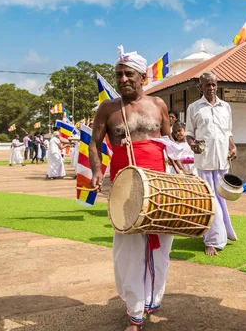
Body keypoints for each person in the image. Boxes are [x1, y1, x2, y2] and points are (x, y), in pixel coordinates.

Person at [90, 46, 175, 331]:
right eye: (119, 74)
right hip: (124, 184)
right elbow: (94, 142)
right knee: (127, 249)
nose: (123, 79)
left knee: (161, 246)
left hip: (159, 184)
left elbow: (169, 143)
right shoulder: (107, 109)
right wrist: (96, 170)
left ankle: (150, 300)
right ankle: (134, 312)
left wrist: (182, 169)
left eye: (129, 74)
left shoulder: (159, 105)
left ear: (143, 76)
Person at [185, 71, 237, 256]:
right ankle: (212, 241)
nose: (211, 88)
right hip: (204, 161)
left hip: (222, 161)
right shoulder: (194, 108)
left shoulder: (226, 107)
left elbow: (228, 132)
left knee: (222, 200)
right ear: (200, 87)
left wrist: (232, 147)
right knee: (211, 202)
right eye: (207, 85)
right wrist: (192, 145)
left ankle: (225, 233)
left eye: (214, 84)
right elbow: (189, 133)